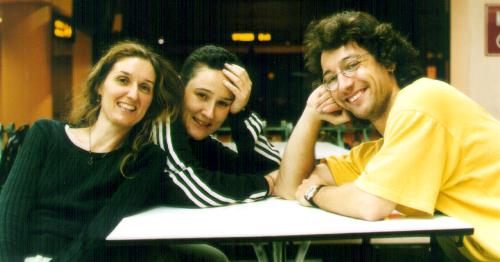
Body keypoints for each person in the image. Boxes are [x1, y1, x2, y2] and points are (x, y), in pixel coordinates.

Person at [274, 11, 500, 261]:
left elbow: (371, 205)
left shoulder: (421, 100)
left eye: (352, 66)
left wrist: (314, 194)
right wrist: (311, 114)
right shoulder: (382, 151)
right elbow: (289, 186)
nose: (343, 85)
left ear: (388, 61)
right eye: (331, 79)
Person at [0, 41, 227, 261]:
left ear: (151, 102)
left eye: (144, 87)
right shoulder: (45, 134)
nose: (133, 94)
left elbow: (95, 237)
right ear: (100, 85)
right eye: (123, 80)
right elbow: (8, 216)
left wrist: (241, 114)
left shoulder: (145, 160)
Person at [153, 45, 280, 207]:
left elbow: (272, 168)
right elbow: (196, 188)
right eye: (201, 95)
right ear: (179, 88)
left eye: (223, 103)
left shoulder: (198, 139)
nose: (209, 113)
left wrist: (240, 113)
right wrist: (267, 184)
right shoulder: (162, 120)